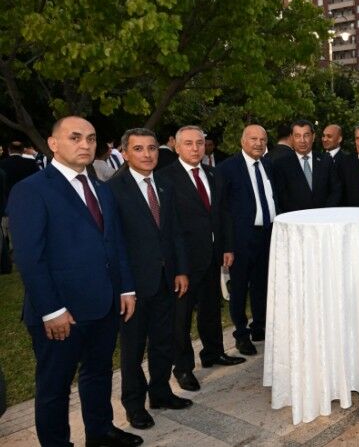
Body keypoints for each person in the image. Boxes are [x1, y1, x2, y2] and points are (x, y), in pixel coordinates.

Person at [8, 116, 142, 447]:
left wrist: (125, 288)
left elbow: (115, 243)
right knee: (54, 387)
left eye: (91, 139)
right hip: (61, 312)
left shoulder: (101, 189)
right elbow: (29, 257)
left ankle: (100, 432)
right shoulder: (31, 190)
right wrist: (51, 310)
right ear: (53, 144)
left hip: (104, 304)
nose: (85, 144)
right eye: (75, 137)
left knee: (97, 374)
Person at [108, 128, 192, 430]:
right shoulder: (114, 189)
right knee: (132, 350)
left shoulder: (166, 185)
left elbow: (175, 233)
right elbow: (113, 243)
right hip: (133, 286)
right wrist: (124, 287)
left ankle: (160, 392)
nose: (147, 154)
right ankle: (134, 405)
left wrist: (181, 269)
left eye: (152, 148)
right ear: (126, 153)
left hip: (167, 279)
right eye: (139, 149)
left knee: (163, 341)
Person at [157, 126, 243, 393]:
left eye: (200, 143)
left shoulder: (214, 174)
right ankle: (182, 368)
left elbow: (224, 214)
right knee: (181, 319)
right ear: (177, 147)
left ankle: (213, 352)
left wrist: (227, 246)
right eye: (189, 144)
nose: (195, 148)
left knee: (210, 310)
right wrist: (178, 266)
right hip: (183, 263)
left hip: (213, 257)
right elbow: (168, 227)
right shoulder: (165, 178)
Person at [217, 124, 278, 356]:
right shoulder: (228, 168)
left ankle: (259, 327)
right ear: (243, 141)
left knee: (262, 284)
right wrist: (227, 245)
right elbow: (222, 210)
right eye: (253, 139)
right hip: (240, 239)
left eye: (262, 139)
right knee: (240, 288)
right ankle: (241, 334)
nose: (258, 143)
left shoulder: (269, 165)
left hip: (267, 235)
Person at [273, 119, 341, 212]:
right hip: (296, 220)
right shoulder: (281, 164)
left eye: (306, 135)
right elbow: (282, 196)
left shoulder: (326, 160)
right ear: (291, 138)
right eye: (297, 136)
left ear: (313, 137)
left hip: (325, 219)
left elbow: (336, 190)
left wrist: (326, 212)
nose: (302, 140)